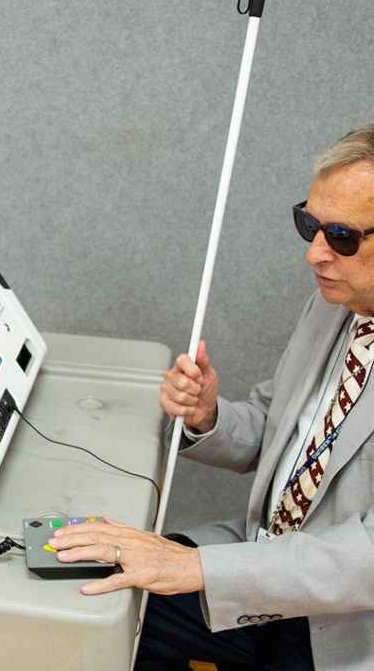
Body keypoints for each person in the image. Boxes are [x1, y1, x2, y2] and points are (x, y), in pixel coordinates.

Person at [45, 125, 374, 670]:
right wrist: (209, 416)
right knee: (104, 601)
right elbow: (278, 427)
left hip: (344, 629)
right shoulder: (337, 302)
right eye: (310, 225)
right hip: (266, 564)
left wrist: (197, 569)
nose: (314, 255)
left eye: (341, 236)